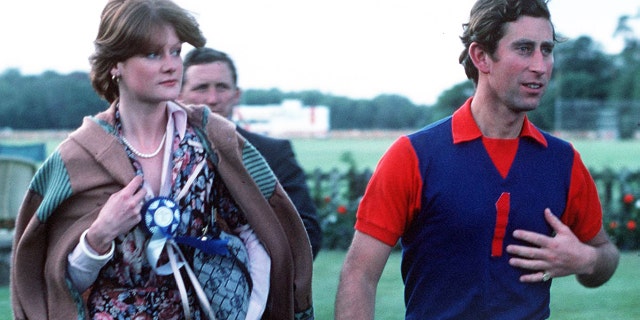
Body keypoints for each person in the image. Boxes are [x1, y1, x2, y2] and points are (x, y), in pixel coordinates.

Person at [10, 0, 314, 319]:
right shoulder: (79, 155)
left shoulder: (210, 138)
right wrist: (98, 235)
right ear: (115, 64)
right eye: (153, 54)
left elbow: (259, 234)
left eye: (175, 51)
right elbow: (59, 285)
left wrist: (250, 314)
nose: (171, 65)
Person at [335, 0, 620, 319]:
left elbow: (605, 254)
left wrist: (586, 260)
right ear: (481, 56)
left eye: (547, 50)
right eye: (525, 49)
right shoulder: (413, 156)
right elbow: (359, 274)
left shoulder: (563, 162)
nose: (541, 65)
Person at [179, 47, 323, 259]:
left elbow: (307, 233)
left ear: (236, 95)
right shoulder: (161, 154)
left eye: (222, 87)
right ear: (178, 95)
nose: (212, 98)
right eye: (201, 88)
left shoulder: (273, 153)